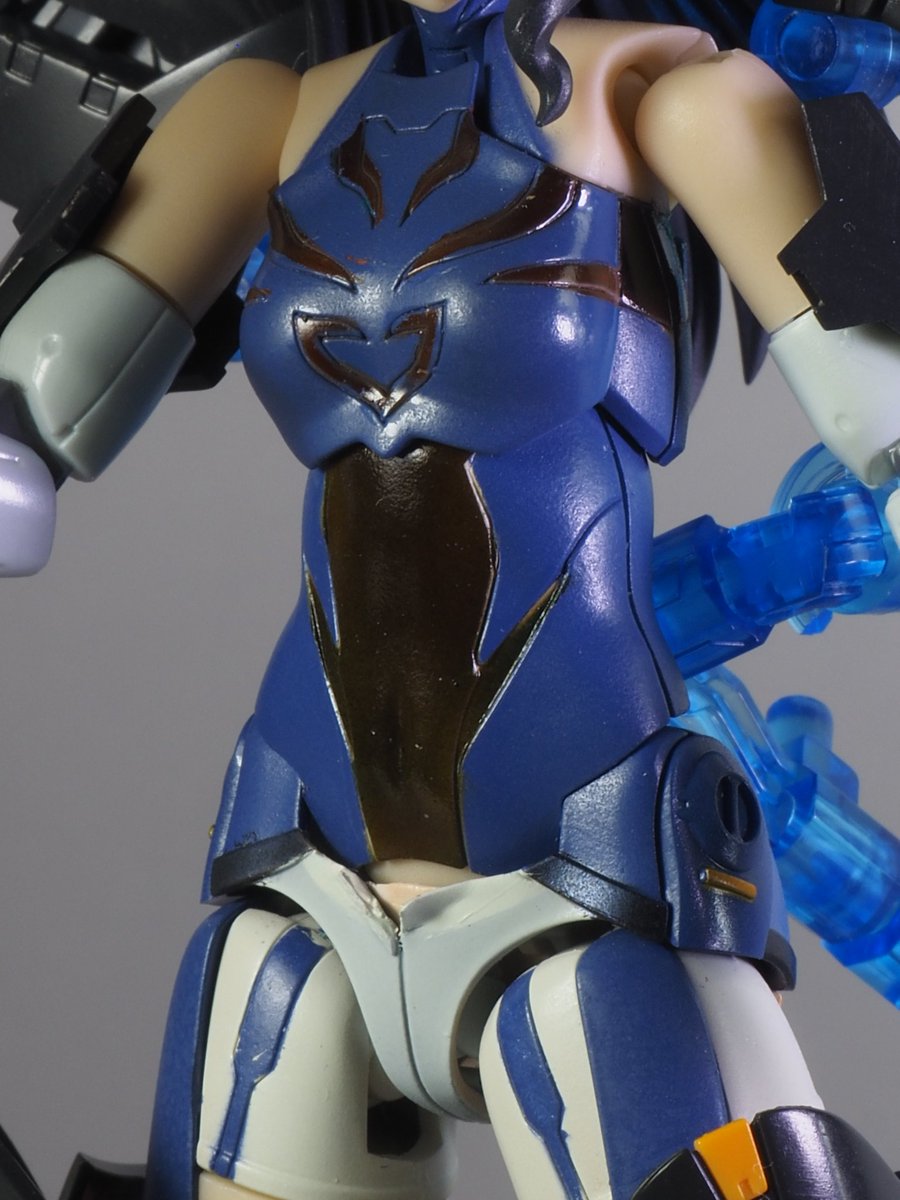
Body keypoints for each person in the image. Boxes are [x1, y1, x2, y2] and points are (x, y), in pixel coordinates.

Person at [2, 1, 900, 1197]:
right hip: (307, 839)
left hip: (591, 845)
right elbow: (38, 395)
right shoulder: (260, 114)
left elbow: (881, 399)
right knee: (259, 1016)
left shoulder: (673, 99)